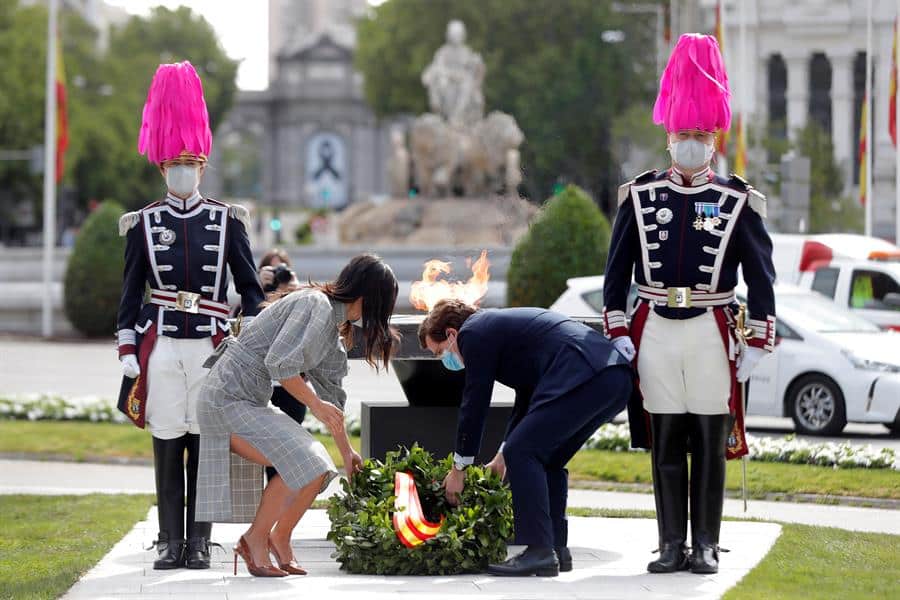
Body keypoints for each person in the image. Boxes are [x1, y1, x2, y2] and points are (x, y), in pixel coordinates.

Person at [602, 34, 776, 575]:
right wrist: (618, 328)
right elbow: (618, 269)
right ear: (669, 135)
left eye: (700, 133)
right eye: (683, 133)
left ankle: (705, 543)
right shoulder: (639, 195)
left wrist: (759, 338)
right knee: (666, 437)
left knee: (709, 434)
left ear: (715, 137)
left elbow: (761, 273)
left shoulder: (736, 201)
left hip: (710, 325)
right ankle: (670, 543)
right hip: (654, 325)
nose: (691, 142)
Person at [116, 61, 264, 571]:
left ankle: (199, 541)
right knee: (165, 439)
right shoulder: (143, 223)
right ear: (162, 167)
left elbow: (250, 289)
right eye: (173, 163)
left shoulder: (228, 220)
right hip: (161, 342)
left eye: (191, 162)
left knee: (204, 441)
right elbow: (132, 291)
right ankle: (168, 540)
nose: (182, 170)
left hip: (209, 345)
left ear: (203, 167)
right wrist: (127, 345)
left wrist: (246, 337)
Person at [195, 254, 399, 577]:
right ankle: (254, 540)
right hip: (227, 399)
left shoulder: (332, 331)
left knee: (317, 466)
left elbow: (334, 397)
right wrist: (315, 405)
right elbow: (281, 364)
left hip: (250, 401)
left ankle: (279, 537)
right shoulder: (315, 305)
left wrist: (347, 453)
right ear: (368, 297)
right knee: (303, 461)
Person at [418, 300, 633, 577]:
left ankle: (539, 552)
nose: (444, 360)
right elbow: (527, 399)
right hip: (612, 377)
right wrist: (501, 455)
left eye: (439, 353)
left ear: (451, 334)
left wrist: (458, 468)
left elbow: (475, 402)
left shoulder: (472, 333)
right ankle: (555, 548)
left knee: (523, 452)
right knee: (547, 458)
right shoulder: (497, 329)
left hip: (584, 373)